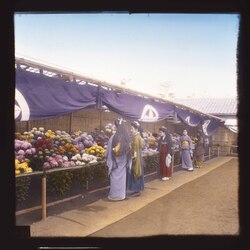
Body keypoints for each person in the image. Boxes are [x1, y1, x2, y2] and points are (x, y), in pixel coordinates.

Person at [105, 118, 131, 201]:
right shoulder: (126, 137)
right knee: (122, 178)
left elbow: (108, 150)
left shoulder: (113, 137)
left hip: (115, 161)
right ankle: (121, 195)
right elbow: (130, 149)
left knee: (114, 177)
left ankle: (114, 195)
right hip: (123, 160)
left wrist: (107, 157)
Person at [126, 121, 144, 197]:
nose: (131, 130)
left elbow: (135, 150)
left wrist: (133, 158)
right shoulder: (137, 137)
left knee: (135, 172)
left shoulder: (136, 138)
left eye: (132, 128)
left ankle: (137, 190)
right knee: (138, 172)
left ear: (136, 129)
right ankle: (137, 190)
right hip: (138, 157)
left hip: (136, 158)